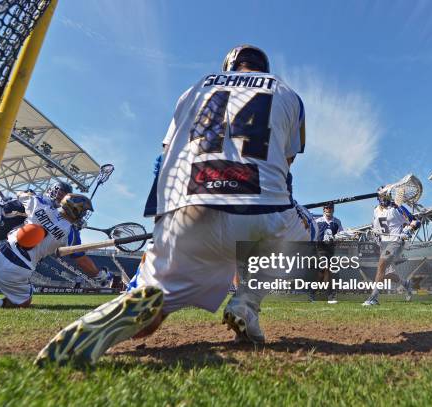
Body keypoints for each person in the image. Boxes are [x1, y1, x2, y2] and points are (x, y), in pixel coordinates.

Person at [35, 44, 310, 366]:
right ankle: (246, 304)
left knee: (149, 320)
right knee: (305, 234)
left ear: (228, 66)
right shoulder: (288, 94)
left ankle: (142, 303)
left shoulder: (194, 90)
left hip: (188, 213)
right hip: (260, 212)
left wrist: (162, 219)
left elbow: (165, 158)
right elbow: (286, 163)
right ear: (263, 67)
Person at [0, 193, 105, 308]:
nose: (84, 215)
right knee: (24, 302)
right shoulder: (71, 233)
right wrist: (99, 275)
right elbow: (81, 260)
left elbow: (22, 195)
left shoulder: (39, 205)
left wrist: (47, 203)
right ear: (75, 210)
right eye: (83, 211)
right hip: (18, 268)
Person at [0, 181, 73, 257]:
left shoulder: (54, 213)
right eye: (60, 193)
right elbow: (19, 196)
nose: (61, 198)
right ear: (53, 190)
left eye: (64, 197)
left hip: (3, 234)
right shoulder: (37, 199)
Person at [362, 188, 420, 306]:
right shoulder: (376, 210)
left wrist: (409, 229)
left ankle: (373, 298)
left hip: (396, 242)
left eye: (386, 195)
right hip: (383, 244)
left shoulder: (396, 208)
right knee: (387, 274)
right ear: (378, 198)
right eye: (382, 196)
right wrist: (373, 231)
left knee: (381, 264)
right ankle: (406, 284)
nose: (384, 198)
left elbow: (416, 221)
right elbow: (376, 226)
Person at [310, 203, 344, 304]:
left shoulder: (337, 222)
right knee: (327, 269)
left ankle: (312, 293)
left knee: (322, 273)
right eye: (326, 208)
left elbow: (340, 236)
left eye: (330, 208)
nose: (328, 209)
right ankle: (330, 296)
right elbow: (312, 234)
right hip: (320, 249)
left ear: (333, 209)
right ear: (323, 209)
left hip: (330, 250)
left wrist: (337, 239)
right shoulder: (317, 221)